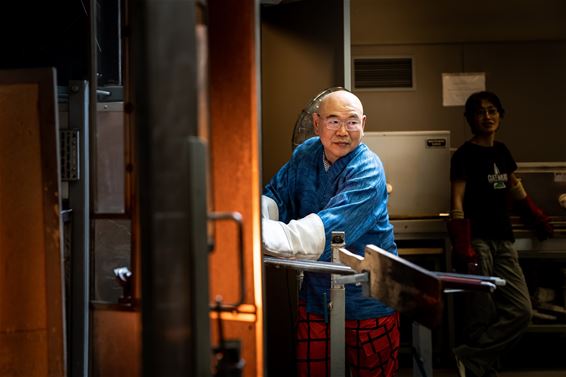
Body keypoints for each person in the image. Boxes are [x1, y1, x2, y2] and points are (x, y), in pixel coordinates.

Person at [261, 89, 399, 377]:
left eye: (352, 122)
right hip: (316, 297)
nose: (343, 131)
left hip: (368, 299)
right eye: (333, 121)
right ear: (316, 124)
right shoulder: (306, 153)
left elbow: (324, 234)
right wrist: (258, 217)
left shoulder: (368, 170)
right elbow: (275, 196)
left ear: (364, 124)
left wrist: (254, 233)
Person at [448, 91, 554, 377]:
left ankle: (467, 357)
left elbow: (514, 186)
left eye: (492, 111)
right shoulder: (464, 155)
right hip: (478, 241)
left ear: (500, 115)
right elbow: (457, 199)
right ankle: (481, 369)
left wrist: (535, 215)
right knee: (481, 313)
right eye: (480, 112)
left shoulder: (502, 151)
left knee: (521, 310)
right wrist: (461, 240)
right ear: (470, 118)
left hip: (504, 241)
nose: (487, 117)